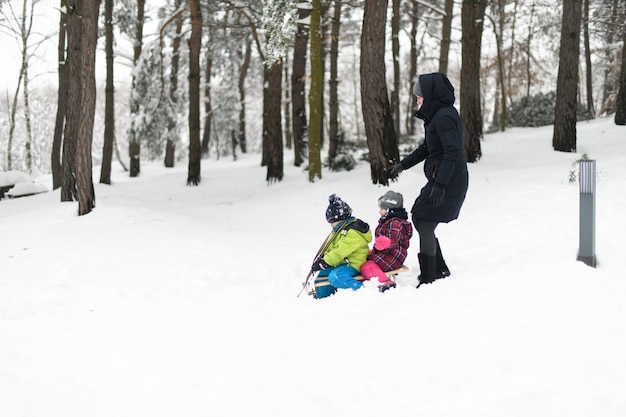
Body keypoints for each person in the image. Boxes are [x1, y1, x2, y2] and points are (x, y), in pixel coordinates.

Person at [386, 72, 468, 288]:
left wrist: (441, 186)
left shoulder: (444, 118)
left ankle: (431, 275)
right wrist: (402, 165)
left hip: (449, 180)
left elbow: (452, 152)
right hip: (441, 177)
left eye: (419, 96)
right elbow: (427, 148)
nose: (418, 100)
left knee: (425, 219)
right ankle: (437, 270)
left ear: (430, 95)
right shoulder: (437, 117)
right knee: (422, 218)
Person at [312, 194, 372, 298]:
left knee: (335, 277)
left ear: (341, 219)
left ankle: (361, 291)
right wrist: (322, 258)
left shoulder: (352, 232)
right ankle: (322, 297)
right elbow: (330, 246)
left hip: (353, 264)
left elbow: (341, 251)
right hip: (341, 262)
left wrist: (326, 261)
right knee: (320, 274)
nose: (331, 225)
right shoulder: (338, 230)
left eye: (332, 222)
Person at [360, 190, 413, 292]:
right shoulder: (388, 221)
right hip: (386, 254)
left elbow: (394, 239)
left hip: (393, 257)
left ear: (390, 210)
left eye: (382, 209)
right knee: (363, 257)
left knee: (366, 265)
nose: (379, 211)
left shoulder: (395, 222)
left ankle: (384, 282)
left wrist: (386, 242)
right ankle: (369, 279)